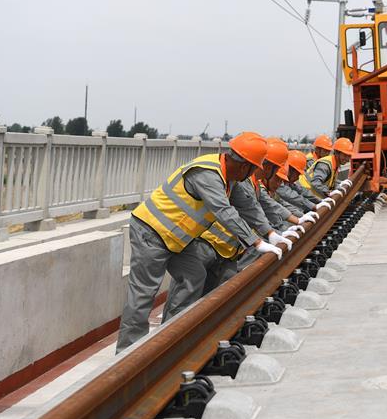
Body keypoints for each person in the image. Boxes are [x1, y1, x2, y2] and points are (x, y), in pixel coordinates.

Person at [117, 132, 286, 353]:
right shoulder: (208, 173)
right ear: (244, 166)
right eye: (254, 168)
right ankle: (127, 354)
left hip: (178, 239)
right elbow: (224, 212)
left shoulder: (229, 179)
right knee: (143, 294)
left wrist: (271, 233)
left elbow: (247, 206)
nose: (255, 173)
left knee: (194, 275)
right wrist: (256, 243)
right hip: (152, 232)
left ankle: (170, 337)